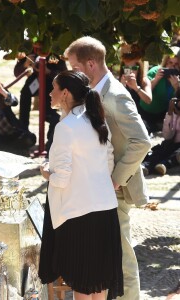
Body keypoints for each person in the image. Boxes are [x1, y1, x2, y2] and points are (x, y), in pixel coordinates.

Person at [64, 36, 151, 300]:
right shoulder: (92, 93)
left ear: (90, 64)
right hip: (98, 189)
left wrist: (115, 180)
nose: (71, 74)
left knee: (121, 258)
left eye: (74, 67)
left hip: (115, 190)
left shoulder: (113, 96)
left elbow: (142, 141)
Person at [39, 70, 123, 300]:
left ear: (65, 93)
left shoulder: (67, 126)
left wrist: (46, 173)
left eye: (53, 88)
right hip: (104, 209)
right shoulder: (95, 119)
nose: (49, 93)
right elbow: (108, 161)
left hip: (78, 213)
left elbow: (62, 177)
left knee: (83, 285)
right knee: (98, 283)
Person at [14, 53, 67, 151]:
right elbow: (17, 73)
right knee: (25, 94)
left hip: (51, 86)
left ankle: (49, 145)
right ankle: (24, 132)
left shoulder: (56, 52)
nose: (39, 48)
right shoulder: (28, 52)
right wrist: (26, 63)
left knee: (53, 118)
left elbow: (64, 75)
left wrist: (48, 71)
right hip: (35, 80)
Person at [140, 52, 180, 134]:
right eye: (170, 62)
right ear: (165, 62)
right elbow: (144, 92)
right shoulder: (155, 71)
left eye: (176, 64)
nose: (172, 66)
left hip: (163, 113)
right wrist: (156, 79)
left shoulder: (178, 78)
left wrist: (177, 88)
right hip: (145, 111)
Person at [142, 96, 180, 176]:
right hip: (171, 144)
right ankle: (147, 166)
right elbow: (167, 136)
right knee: (161, 149)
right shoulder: (174, 114)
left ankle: (164, 165)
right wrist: (170, 114)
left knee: (175, 153)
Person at [118, 43, 152, 113]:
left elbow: (149, 100)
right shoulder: (118, 81)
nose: (130, 71)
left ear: (139, 69)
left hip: (141, 116)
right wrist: (122, 87)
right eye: (127, 68)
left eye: (134, 68)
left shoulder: (144, 81)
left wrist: (136, 88)